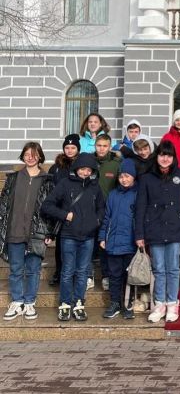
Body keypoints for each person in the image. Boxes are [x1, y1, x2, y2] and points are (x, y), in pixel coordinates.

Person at [41, 153, 105, 322]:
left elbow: (101, 208)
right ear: (76, 168)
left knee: (82, 272)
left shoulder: (95, 186)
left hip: (88, 236)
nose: (85, 172)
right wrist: (65, 215)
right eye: (82, 169)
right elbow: (47, 205)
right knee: (68, 271)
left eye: (89, 170)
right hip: (68, 235)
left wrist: (96, 221)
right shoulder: (65, 183)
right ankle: (65, 304)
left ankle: (78, 303)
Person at [135, 141, 180, 323]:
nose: (165, 158)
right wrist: (139, 234)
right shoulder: (147, 178)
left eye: (169, 155)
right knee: (158, 269)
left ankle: (172, 304)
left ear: (173, 157)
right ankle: (159, 304)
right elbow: (140, 206)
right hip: (154, 228)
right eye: (162, 155)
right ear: (157, 156)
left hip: (174, 228)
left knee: (173, 269)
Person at [1, 143, 55, 321]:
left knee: (33, 269)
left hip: (37, 233)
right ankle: (17, 301)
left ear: (40, 157)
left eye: (34, 155)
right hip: (15, 230)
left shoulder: (48, 180)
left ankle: (30, 302)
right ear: (22, 157)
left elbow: (51, 208)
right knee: (16, 269)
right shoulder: (13, 178)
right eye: (26, 155)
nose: (30, 158)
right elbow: (3, 204)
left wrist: (49, 232)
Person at [98, 159, 138, 319]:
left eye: (127, 176)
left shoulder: (137, 194)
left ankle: (128, 304)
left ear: (133, 177)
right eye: (121, 176)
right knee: (114, 275)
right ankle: (114, 302)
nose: (124, 179)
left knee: (129, 276)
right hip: (113, 243)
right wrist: (102, 236)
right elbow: (106, 217)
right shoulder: (113, 195)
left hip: (130, 243)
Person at [47, 134, 80, 287]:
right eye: (67, 147)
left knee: (77, 244)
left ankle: (75, 273)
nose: (70, 150)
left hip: (78, 210)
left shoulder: (82, 164)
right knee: (60, 244)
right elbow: (50, 187)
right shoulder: (56, 167)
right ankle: (59, 272)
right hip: (61, 212)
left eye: (73, 147)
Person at [91, 133, 121, 291]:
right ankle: (88, 275)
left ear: (109, 147)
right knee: (89, 244)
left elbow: (120, 185)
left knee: (104, 244)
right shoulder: (89, 160)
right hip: (89, 209)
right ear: (95, 145)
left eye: (105, 146)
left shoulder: (116, 163)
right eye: (99, 145)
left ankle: (106, 275)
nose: (101, 149)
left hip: (108, 210)